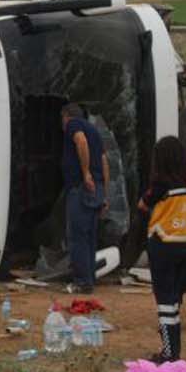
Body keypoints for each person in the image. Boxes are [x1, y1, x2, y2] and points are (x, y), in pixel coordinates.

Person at [136, 136, 186, 363]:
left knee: (164, 300)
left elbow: (143, 205)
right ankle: (175, 349)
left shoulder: (162, 184)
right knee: (174, 300)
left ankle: (169, 352)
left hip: (163, 244)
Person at [60, 103, 108, 294]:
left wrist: (85, 173)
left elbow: (80, 141)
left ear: (66, 116)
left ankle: (82, 282)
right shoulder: (94, 131)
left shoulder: (74, 125)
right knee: (89, 237)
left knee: (77, 236)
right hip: (96, 189)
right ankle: (89, 279)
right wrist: (104, 191)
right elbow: (104, 160)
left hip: (81, 188)